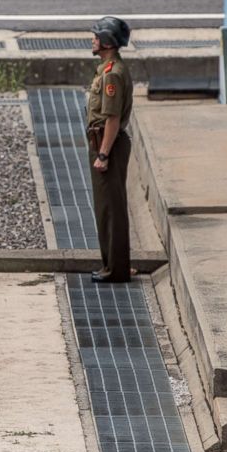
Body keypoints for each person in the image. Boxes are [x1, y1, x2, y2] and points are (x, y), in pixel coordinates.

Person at [86, 16, 134, 283]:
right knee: (108, 208)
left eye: (96, 36)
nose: (92, 40)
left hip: (107, 144)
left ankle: (115, 269)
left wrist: (103, 154)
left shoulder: (112, 74)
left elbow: (112, 119)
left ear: (106, 41)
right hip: (103, 142)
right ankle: (115, 264)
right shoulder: (107, 68)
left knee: (110, 211)